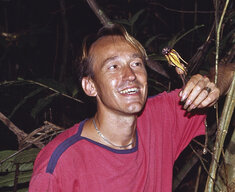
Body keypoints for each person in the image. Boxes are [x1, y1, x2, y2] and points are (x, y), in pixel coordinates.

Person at [29, 24, 234, 191]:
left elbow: (228, 72)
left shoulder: (160, 119)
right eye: (113, 67)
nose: (130, 76)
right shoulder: (59, 164)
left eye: (136, 64)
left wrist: (209, 87)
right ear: (90, 86)